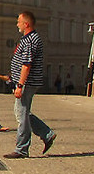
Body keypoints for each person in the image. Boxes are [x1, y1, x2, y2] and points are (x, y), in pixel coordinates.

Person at [3, 11, 57, 159]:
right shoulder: (29, 38)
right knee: (24, 112)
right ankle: (47, 134)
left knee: (21, 114)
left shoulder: (30, 40)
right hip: (25, 81)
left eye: (19, 22)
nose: (17, 24)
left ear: (26, 24)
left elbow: (27, 64)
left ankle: (22, 148)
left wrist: (20, 84)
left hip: (27, 82)